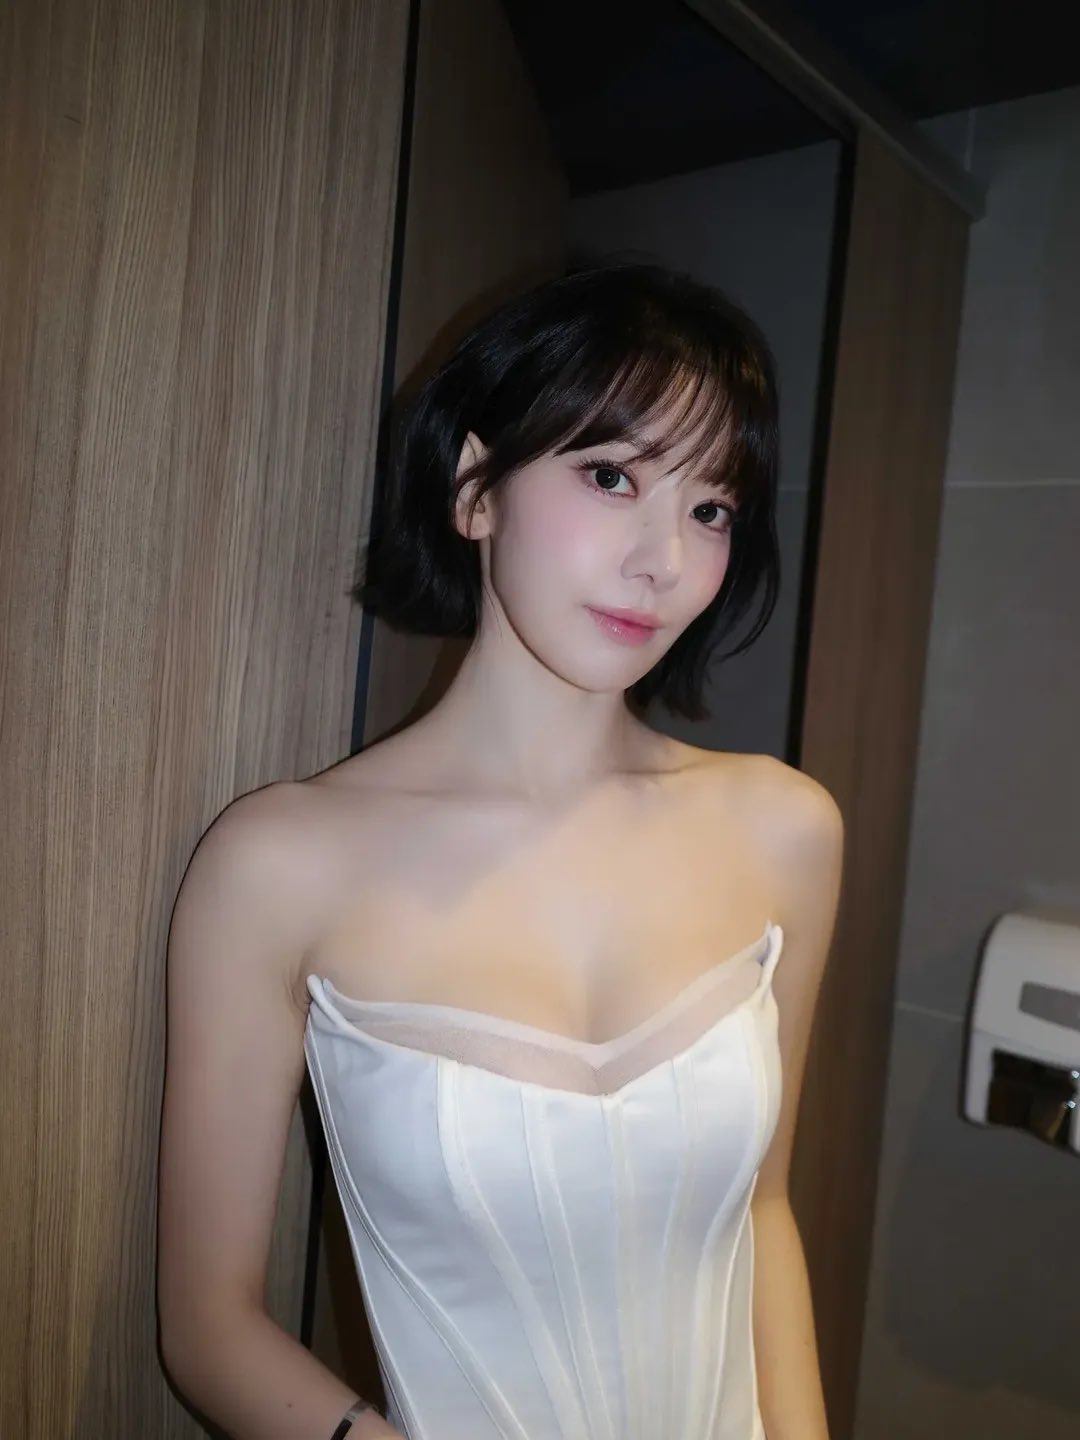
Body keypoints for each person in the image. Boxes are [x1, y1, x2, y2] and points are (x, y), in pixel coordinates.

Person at [158, 261, 843, 1440]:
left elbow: (763, 1213)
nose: (663, 561)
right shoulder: (278, 864)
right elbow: (208, 1326)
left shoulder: (785, 831)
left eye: (711, 509)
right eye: (612, 475)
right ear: (476, 488)